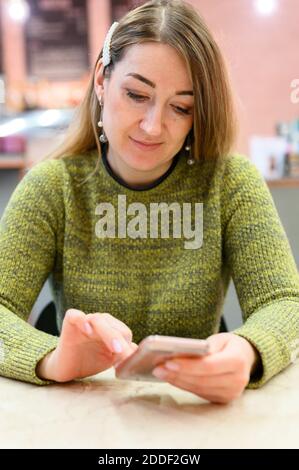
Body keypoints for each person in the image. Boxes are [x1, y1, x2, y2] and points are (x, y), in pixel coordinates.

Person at [0, 0, 299, 405]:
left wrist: (248, 352)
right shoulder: (53, 188)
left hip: (195, 414)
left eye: (181, 107)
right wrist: (53, 358)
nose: (153, 126)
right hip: (85, 415)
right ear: (103, 82)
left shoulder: (231, 183)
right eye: (137, 94)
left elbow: (284, 302)